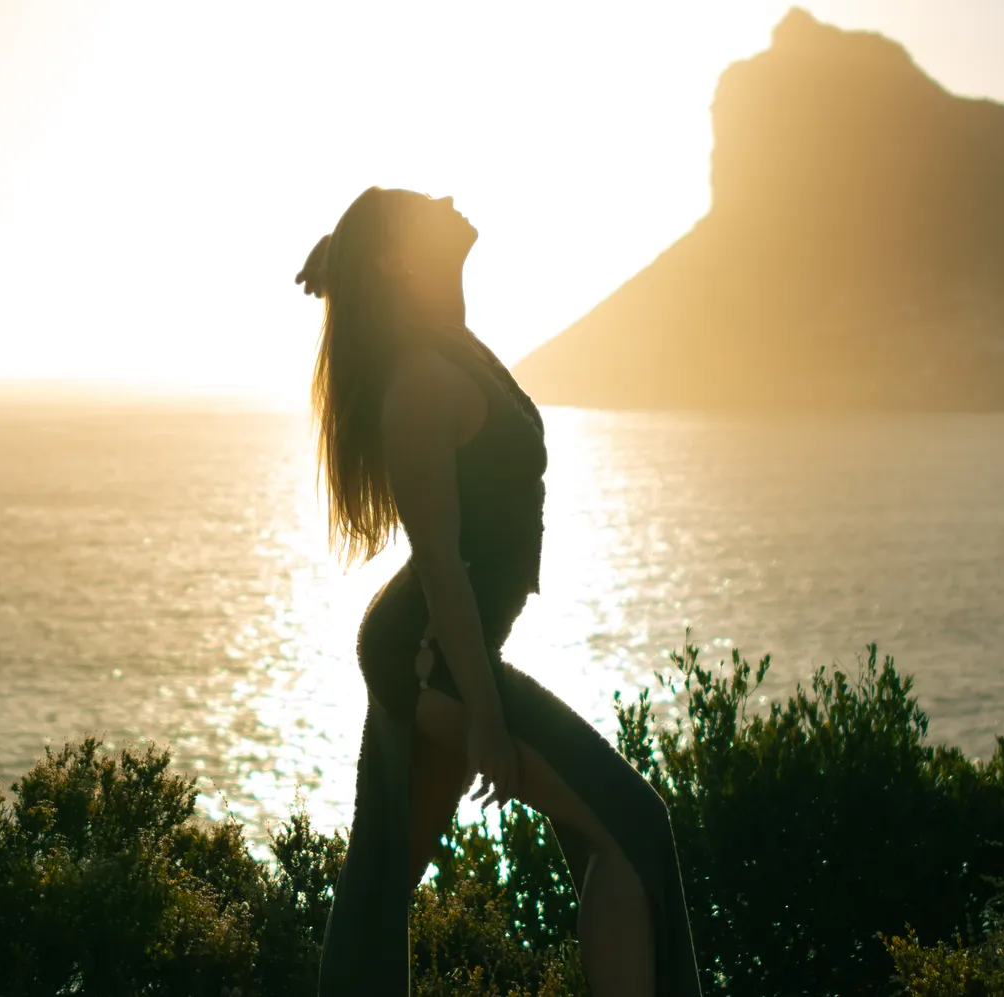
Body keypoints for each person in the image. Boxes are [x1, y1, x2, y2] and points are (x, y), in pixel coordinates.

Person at [297, 186, 704, 996]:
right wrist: (482, 713)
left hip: (438, 650)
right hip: (428, 656)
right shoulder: (419, 379)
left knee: (380, 889)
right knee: (632, 830)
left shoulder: (446, 341)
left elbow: (384, 272)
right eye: (426, 205)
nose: (449, 198)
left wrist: (341, 259)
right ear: (400, 257)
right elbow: (442, 560)